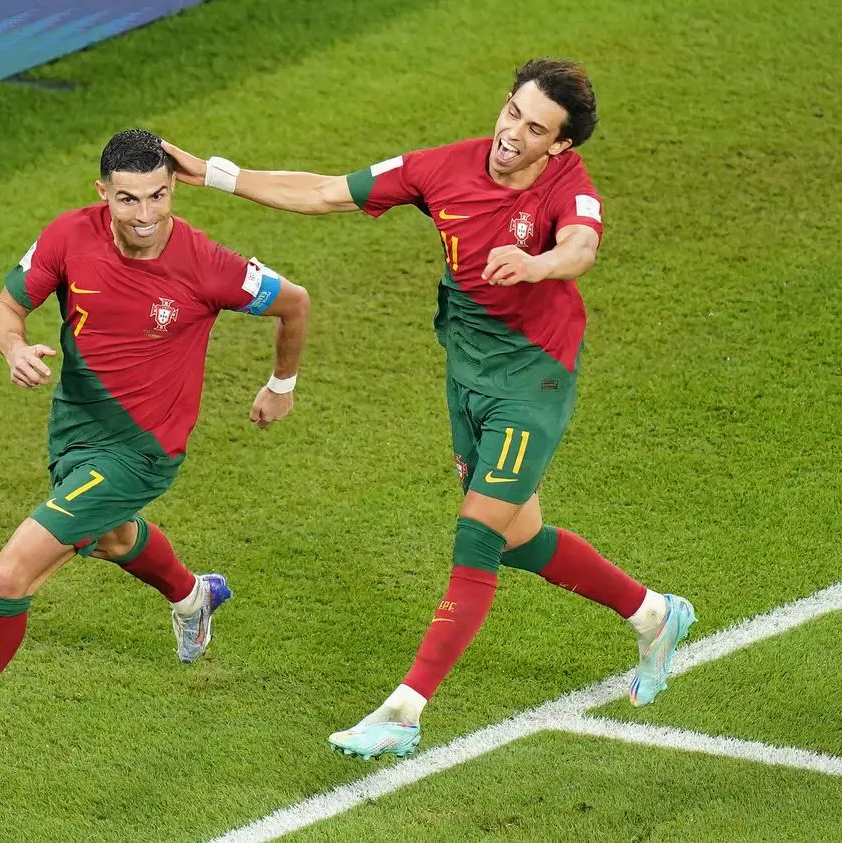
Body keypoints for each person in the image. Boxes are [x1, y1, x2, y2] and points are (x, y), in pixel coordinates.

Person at [161, 57, 695, 760]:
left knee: (476, 536)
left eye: (534, 128)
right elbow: (325, 193)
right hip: (468, 371)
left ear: (559, 145)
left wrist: (536, 264)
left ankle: (403, 709)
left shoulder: (570, 185)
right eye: (511, 112)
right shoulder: (439, 169)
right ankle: (654, 614)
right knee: (517, 537)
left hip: (533, 378)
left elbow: (582, 244)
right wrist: (215, 174)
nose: (511, 133)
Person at [0, 128, 311, 789]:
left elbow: (294, 302)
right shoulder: (67, 235)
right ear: (102, 192)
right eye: (129, 199)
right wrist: (13, 347)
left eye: (159, 196)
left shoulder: (207, 262)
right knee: (111, 538)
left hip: (143, 450)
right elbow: (5, 307)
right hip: (75, 433)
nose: (145, 216)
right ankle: (193, 595)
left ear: (174, 188)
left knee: (8, 576)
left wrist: (281, 385)